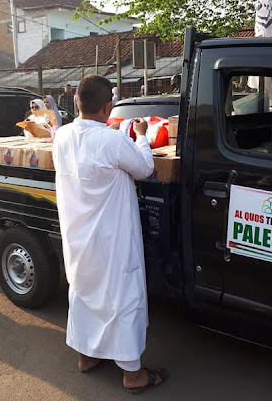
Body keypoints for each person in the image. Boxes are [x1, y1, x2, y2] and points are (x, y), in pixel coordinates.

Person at [52, 74, 168, 394]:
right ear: (108, 106)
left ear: (76, 102)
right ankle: (133, 375)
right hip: (112, 240)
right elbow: (144, 168)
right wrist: (141, 135)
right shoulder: (112, 141)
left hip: (78, 238)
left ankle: (86, 357)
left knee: (84, 294)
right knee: (123, 300)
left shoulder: (62, 136)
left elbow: (93, 153)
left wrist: (112, 135)